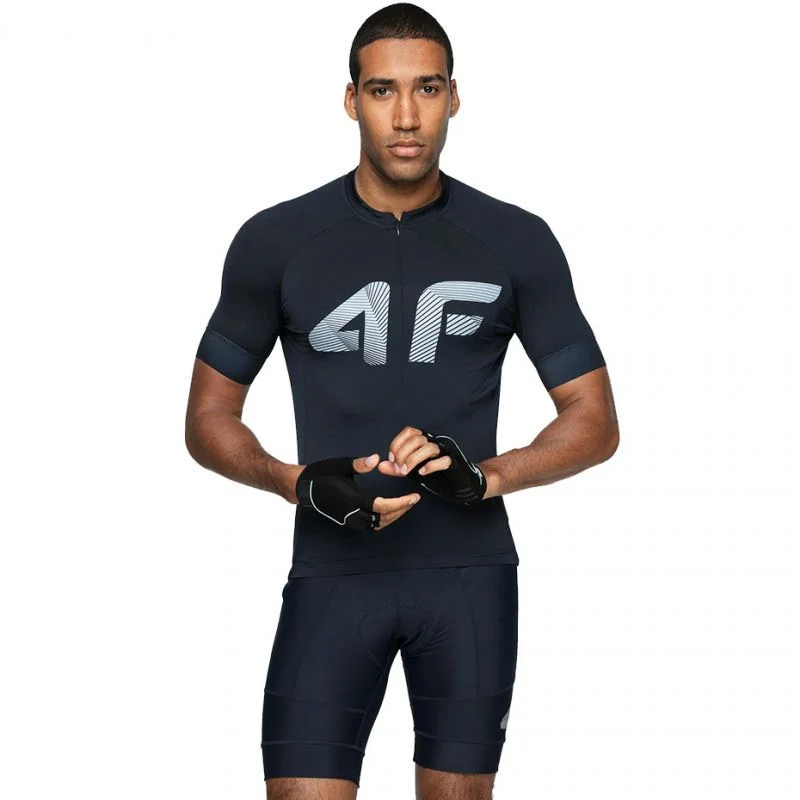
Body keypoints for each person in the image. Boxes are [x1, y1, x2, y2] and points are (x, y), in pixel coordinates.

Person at [185, 3, 619, 798]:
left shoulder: (516, 240)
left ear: (455, 96)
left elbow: (594, 420)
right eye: (384, 90)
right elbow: (208, 418)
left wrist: (486, 477)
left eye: (427, 88)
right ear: (352, 100)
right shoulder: (276, 241)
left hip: (467, 581)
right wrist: (295, 481)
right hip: (331, 575)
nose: (408, 116)